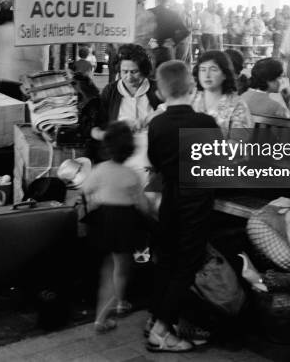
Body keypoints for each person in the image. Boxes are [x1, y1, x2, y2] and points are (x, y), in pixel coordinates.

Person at [145, 60, 219, 352]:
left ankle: (153, 319)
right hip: (196, 199)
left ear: (161, 92)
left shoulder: (158, 124)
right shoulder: (204, 123)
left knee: (166, 260)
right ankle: (162, 331)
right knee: (187, 263)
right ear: (191, 86)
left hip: (170, 198)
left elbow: (155, 161)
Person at [82, 121, 150, 333]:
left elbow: (86, 190)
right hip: (125, 222)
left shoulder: (101, 169)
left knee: (107, 267)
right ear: (130, 149)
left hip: (103, 220)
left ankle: (106, 313)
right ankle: (115, 307)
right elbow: (143, 205)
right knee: (121, 267)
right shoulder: (131, 175)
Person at [92, 44, 162, 138]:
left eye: (134, 72)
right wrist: (107, 135)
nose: (129, 78)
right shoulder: (110, 91)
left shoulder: (157, 89)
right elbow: (97, 125)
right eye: (125, 72)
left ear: (143, 70)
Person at [0, 9, 47, 100]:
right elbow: (31, 56)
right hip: (14, 77)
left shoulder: (0, 29)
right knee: (14, 105)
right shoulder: (24, 31)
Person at [192, 50, 252, 141]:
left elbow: (237, 144)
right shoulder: (190, 98)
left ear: (224, 74)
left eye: (213, 69)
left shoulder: (237, 105)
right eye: (203, 69)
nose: (207, 75)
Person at [148, 0, 189, 69]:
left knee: (152, 73)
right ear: (166, 1)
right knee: (168, 74)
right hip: (167, 48)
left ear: (156, 0)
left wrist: (150, 42)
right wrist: (173, 41)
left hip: (152, 46)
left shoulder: (149, 12)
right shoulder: (172, 14)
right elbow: (185, 31)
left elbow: (144, 32)